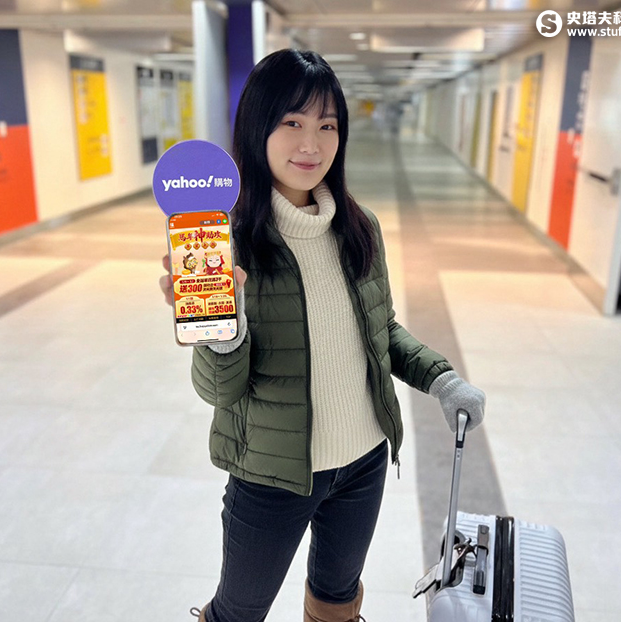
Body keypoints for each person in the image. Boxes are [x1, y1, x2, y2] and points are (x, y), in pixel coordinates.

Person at [159, 49, 486, 622]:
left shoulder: (360, 227)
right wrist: (221, 331)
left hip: (363, 463)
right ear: (257, 127)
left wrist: (442, 379)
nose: (311, 144)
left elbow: (381, 331)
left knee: (337, 604)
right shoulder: (226, 245)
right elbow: (219, 392)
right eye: (292, 122)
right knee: (238, 611)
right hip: (272, 473)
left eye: (327, 126)